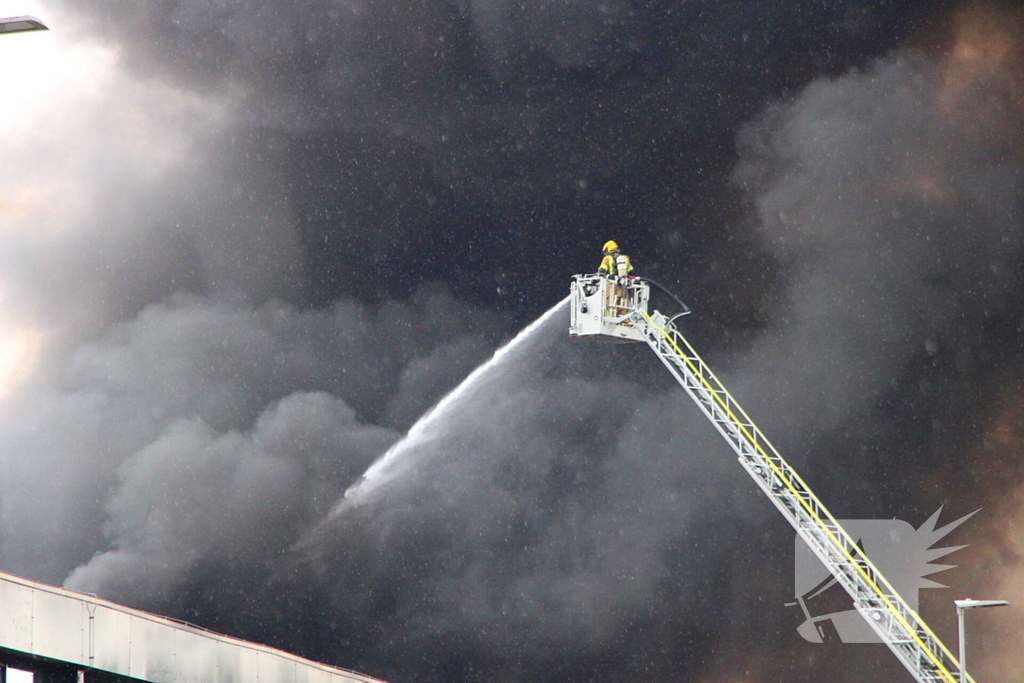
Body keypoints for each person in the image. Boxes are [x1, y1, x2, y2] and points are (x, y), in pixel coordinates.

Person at [597, 240, 634, 317]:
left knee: (610, 307)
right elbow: (631, 272)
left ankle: (609, 324)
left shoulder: (607, 258)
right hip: (623, 287)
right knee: (623, 309)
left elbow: (601, 271)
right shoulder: (625, 259)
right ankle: (625, 324)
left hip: (612, 286)